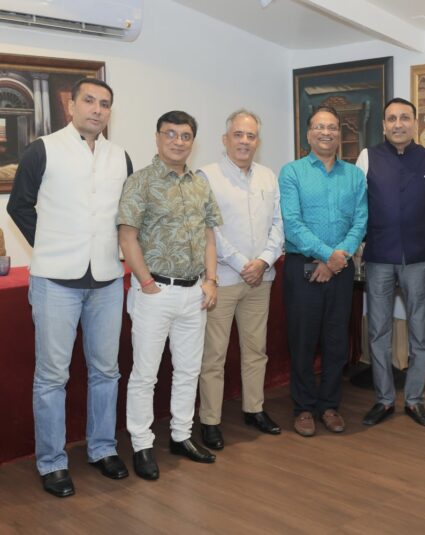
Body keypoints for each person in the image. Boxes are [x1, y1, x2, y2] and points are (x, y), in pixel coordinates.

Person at [6, 78, 132, 497]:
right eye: (89, 101)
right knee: (52, 376)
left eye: (105, 104)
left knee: (106, 371)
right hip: (55, 281)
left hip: (107, 279)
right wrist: (51, 244)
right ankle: (52, 461)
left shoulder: (120, 156)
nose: (97, 109)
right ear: (72, 105)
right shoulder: (43, 149)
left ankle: (102, 448)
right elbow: (19, 206)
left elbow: (124, 215)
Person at [118, 110, 222, 480]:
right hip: (155, 292)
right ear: (158, 137)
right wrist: (146, 282)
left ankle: (181, 435)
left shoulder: (199, 184)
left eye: (185, 135)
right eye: (171, 134)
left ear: (193, 141)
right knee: (145, 375)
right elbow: (127, 236)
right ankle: (142, 444)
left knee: (188, 370)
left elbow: (209, 235)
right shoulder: (140, 182)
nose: (178, 141)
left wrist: (211, 280)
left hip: (195, 293)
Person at [196, 110, 284, 450]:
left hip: (261, 278)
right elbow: (209, 229)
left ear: (257, 141)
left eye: (250, 136)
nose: (244, 141)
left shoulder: (268, 176)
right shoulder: (207, 176)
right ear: (225, 139)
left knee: (256, 350)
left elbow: (278, 223)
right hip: (223, 279)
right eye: (238, 134)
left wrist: (263, 261)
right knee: (214, 355)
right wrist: (241, 262)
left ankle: (254, 409)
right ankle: (210, 421)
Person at [279, 106, 367, 437]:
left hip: (341, 270)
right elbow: (292, 222)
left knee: (336, 340)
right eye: (319, 127)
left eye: (332, 127)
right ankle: (303, 407)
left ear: (339, 133)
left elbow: (360, 221)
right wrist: (329, 256)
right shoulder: (292, 172)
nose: (326, 132)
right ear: (308, 134)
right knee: (302, 339)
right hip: (302, 266)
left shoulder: (354, 175)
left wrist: (335, 260)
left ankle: (329, 405)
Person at [355, 97, 425, 427]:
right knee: (378, 331)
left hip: (419, 257)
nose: (398, 124)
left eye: (405, 118)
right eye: (391, 118)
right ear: (383, 126)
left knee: (420, 332)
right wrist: (359, 243)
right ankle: (384, 399)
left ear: (415, 124)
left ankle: (415, 399)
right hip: (379, 256)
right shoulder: (368, 157)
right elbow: (358, 206)